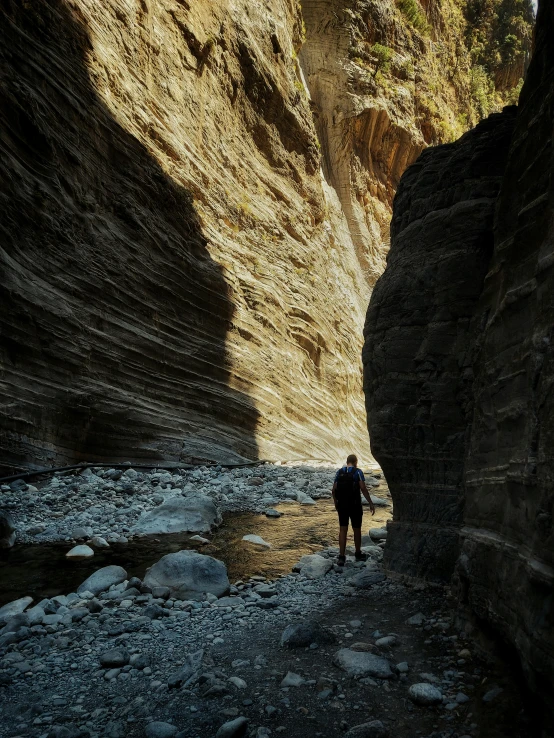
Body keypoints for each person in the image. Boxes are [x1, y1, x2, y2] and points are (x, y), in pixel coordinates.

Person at [332, 454, 375, 566]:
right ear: (355, 462)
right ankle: (357, 553)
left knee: (343, 529)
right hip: (355, 505)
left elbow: (334, 489)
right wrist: (370, 503)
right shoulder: (358, 472)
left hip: (342, 505)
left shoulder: (339, 472)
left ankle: (341, 557)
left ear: (347, 462)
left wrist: (336, 503)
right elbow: (363, 488)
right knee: (356, 529)